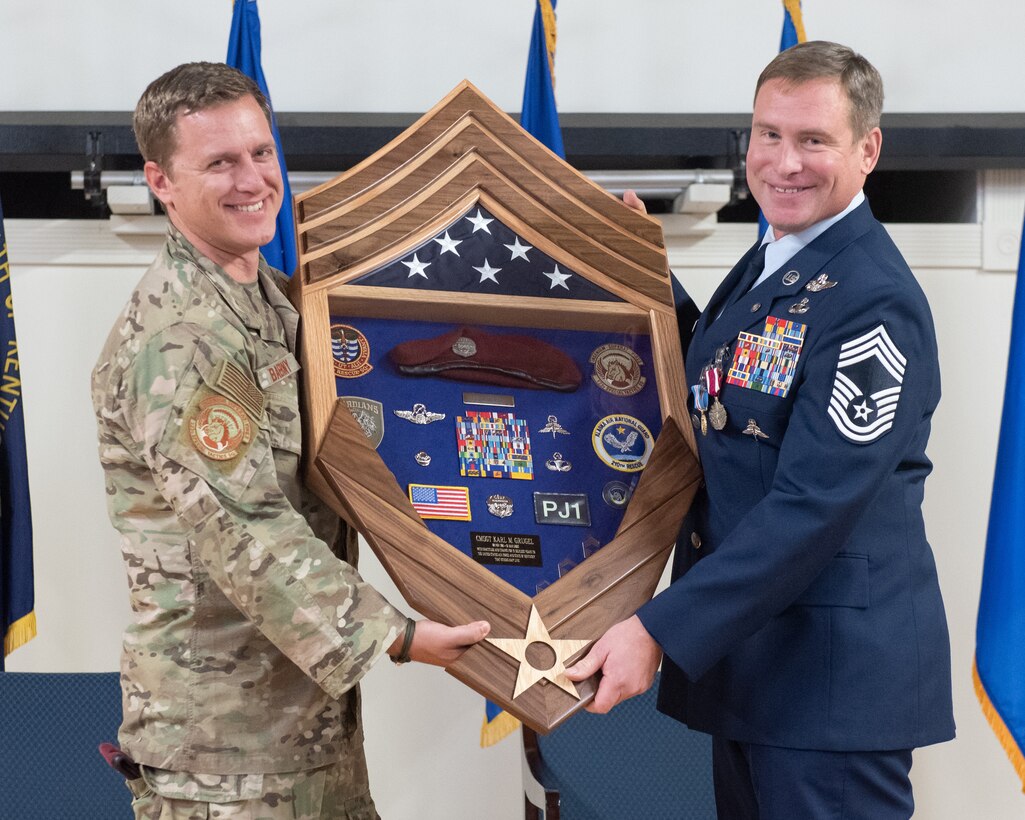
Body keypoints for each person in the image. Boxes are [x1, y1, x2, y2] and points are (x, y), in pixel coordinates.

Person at [91, 61, 489, 820]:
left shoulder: (268, 302)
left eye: (260, 152)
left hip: (300, 731)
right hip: (226, 757)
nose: (253, 179)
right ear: (160, 181)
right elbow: (245, 529)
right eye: (218, 162)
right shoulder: (183, 334)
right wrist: (397, 635)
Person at [566, 41, 954, 819]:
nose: (783, 163)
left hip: (829, 690)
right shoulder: (780, 259)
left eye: (813, 140)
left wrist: (658, 630)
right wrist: (637, 271)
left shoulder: (872, 302)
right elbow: (720, 382)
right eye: (767, 135)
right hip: (763, 673)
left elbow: (810, 508)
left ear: (866, 149)